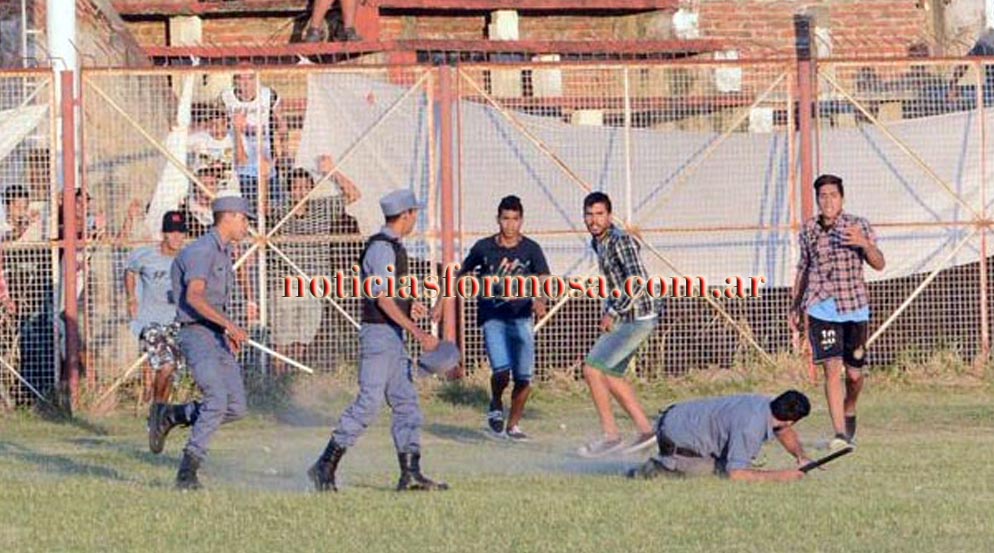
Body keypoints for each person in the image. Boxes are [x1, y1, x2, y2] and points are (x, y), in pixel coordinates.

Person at [307, 189, 448, 493]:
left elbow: (390, 293)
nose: (415, 220)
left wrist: (410, 304)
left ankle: (410, 472)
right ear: (406, 214)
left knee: (406, 402)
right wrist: (418, 332)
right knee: (369, 402)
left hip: (391, 335)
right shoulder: (383, 249)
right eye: (414, 214)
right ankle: (324, 465)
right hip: (380, 335)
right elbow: (383, 299)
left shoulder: (392, 247)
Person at [150, 196, 254, 490]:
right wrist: (230, 325)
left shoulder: (222, 252)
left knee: (236, 407)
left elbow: (215, 300)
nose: (246, 226)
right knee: (217, 401)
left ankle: (174, 414)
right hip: (197, 333)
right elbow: (194, 297)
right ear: (230, 217)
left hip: (217, 335)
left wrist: (227, 331)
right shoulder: (203, 251)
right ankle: (187, 473)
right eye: (245, 219)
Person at [433, 195, 549, 441]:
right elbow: (458, 274)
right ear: (498, 219)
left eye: (515, 219)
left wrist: (540, 299)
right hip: (493, 316)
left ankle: (513, 426)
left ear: (521, 220)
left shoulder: (531, 248)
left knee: (524, 377)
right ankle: (496, 403)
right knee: (501, 371)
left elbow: (543, 277)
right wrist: (442, 301)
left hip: (521, 318)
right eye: (505, 219)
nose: (510, 224)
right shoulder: (484, 248)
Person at [790, 174, 885, 451]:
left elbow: (879, 264)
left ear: (842, 198)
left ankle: (850, 407)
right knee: (832, 370)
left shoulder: (858, 226)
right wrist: (795, 306)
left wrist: (864, 244)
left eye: (833, 195)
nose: (828, 201)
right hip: (821, 306)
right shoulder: (809, 230)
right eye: (822, 196)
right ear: (817, 199)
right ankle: (840, 435)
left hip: (854, 307)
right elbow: (804, 268)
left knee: (854, 374)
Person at [576, 191, 660, 458]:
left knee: (592, 369)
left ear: (609, 216)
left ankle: (611, 437)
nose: (594, 220)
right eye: (589, 215)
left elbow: (637, 280)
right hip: (629, 316)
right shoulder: (598, 242)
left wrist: (613, 311)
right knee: (610, 375)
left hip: (636, 317)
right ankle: (647, 432)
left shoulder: (619, 241)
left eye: (599, 214)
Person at [270, 167, 359, 374]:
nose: (300, 192)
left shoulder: (323, 208)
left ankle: (292, 378)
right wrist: (266, 177)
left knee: (303, 338)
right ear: (288, 190)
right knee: (282, 338)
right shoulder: (280, 210)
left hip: (314, 284)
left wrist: (332, 170)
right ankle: (276, 379)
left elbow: (354, 194)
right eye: (295, 188)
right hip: (285, 283)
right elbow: (262, 208)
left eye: (304, 187)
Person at [627, 390, 812, 482]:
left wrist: (801, 457)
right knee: (717, 471)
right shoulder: (750, 427)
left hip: (675, 417)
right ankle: (658, 468)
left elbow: (783, 430)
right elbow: (736, 474)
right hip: (676, 439)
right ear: (790, 420)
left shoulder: (763, 404)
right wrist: (781, 475)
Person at [124, 211, 187, 453]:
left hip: (176, 323)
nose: (177, 237)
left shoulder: (186, 260)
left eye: (181, 233)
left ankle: (158, 413)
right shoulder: (146, 256)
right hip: (150, 323)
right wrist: (131, 298)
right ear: (164, 233)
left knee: (169, 373)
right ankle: (158, 412)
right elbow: (130, 270)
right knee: (166, 365)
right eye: (172, 232)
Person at [220, 71, 287, 211]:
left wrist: (284, 152)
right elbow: (218, 123)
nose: (246, 83)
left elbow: (282, 124)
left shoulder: (269, 96)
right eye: (241, 78)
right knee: (247, 210)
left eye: (250, 78)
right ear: (235, 80)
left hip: (267, 164)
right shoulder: (225, 97)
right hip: (240, 166)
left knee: (276, 207)